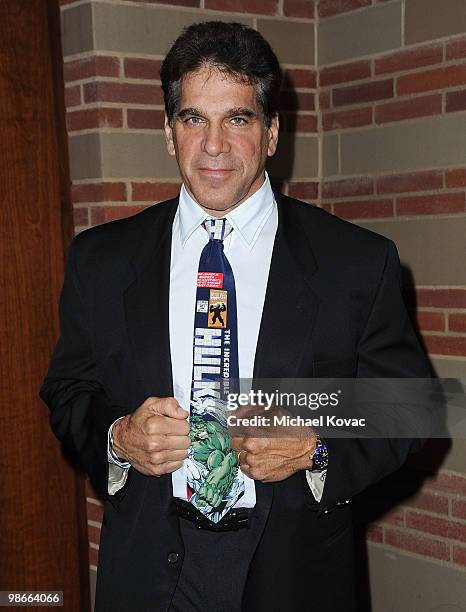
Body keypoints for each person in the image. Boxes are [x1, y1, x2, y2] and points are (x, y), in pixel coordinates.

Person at [40, 21, 431, 611]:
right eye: (194, 118)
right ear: (170, 134)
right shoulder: (101, 259)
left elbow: (410, 405)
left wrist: (314, 445)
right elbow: (68, 391)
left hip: (294, 574)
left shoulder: (357, 261)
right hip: (147, 573)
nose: (214, 144)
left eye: (238, 119)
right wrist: (119, 438)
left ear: (272, 133)